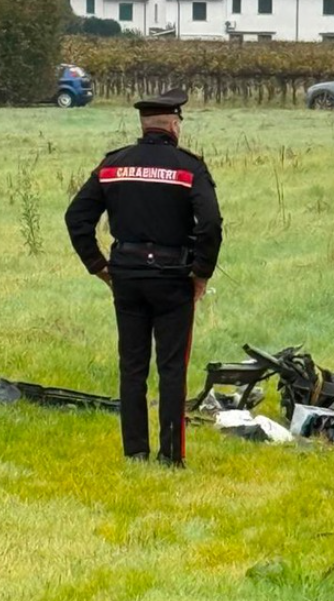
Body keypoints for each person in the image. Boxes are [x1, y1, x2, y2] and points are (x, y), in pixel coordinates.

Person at [65, 89, 222, 467]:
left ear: (143, 124)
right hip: (172, 278)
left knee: (132, 366)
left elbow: (77, 218)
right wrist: (200, 273)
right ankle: (170, 456)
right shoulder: (189, 168)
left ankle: (135, 452)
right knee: (172, 369)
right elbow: (211, 224)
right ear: (173, 125)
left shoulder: (114, 164)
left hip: (126, 276)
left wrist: (98, 266)